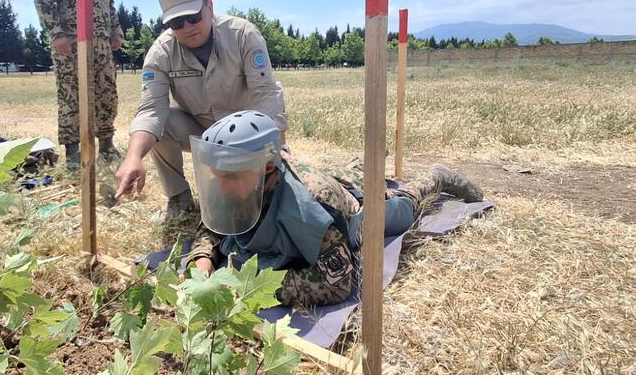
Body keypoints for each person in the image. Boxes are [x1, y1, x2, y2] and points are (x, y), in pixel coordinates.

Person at [186, 110, 485, 309]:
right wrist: (202, 261)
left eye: (230, 177)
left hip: (355, 212)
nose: (219, 187)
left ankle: (437, 176)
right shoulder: (234, 182)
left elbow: (337, 284)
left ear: (266, 170)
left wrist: (251, 290)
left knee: (404, 208)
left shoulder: (311, 207)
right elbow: (211, 227)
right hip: (320, 180)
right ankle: (362, 164)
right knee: (353, 172)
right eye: (216, 175)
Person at [114, 0, 287, 224]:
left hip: (248, 133)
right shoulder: (160, 53)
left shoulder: (242, 34)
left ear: (210, 7)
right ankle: (179, 199)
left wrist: (274, 147)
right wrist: (133, 157)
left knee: (265, 198)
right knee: (163, 124)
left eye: (193, 17)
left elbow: (266, 94)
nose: (187, 28)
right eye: (176, 23)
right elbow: (151, 110)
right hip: (202, 131)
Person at [33, 0, 124, 170]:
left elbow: (108, 1)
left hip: (100, 41)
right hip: (71, 41)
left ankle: (106, 143)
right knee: (73, 94)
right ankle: (74, 151)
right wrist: (56, 33)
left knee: (107, 91)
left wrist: (114, 30)